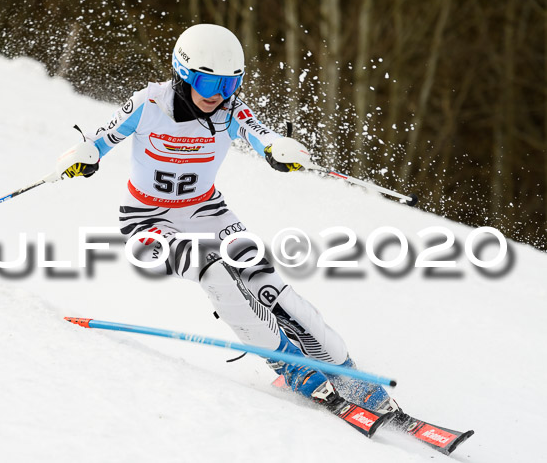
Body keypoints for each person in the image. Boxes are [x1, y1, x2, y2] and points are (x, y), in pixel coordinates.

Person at [55, 24, 396, 412]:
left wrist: (279, 150)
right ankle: (289, 363)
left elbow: (261, 135)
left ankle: (346, 371)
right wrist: (81, 158)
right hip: (147, 220)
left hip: (208, 212)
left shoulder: (230, 109)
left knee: (264, 279)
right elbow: (98, 141)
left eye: (228, 85)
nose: (216, 96)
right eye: (206, 82)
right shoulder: (149, 103)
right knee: (213, 270)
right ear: (181, 73)